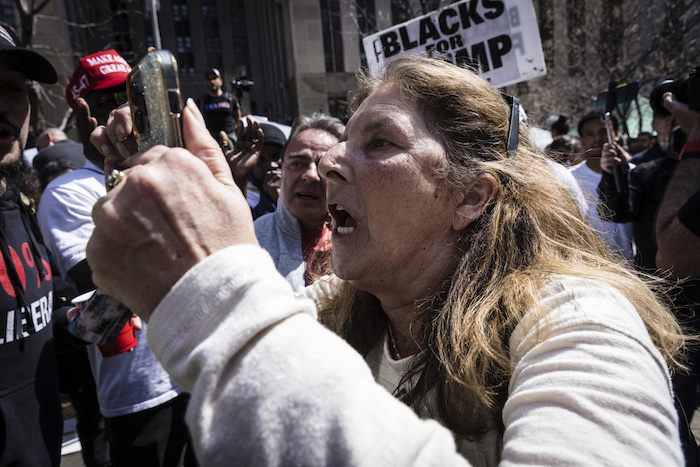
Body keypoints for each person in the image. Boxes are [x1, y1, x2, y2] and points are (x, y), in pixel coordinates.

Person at [89, 56, 686, 465]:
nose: (328, 166)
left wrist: (221, 299)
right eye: (342, 142)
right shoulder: (331, 310)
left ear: (471, 196)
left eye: (380, 142)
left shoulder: (578, 320)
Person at [38, 49, 194, 467]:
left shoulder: (167, 164)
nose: (126, 111)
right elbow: (101, 280)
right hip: (140, 389)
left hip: (196, 371)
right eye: (111, 101)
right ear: (84, 113)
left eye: (133, 96)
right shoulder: (67, 192)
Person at [0, 25, 63, 466]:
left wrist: (75, 325)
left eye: (11, 89)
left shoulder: (19, 201)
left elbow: (28, 329)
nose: (3, 106)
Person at [252, 113, 344, 290]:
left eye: (323, 166)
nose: (310, 175)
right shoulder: (254, 241)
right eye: (297, 164)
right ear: (282, 170)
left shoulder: (361, 243)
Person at [570, 110, 635, 262]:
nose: (597, 139)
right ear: (582, 139)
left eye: (604, 132)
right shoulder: (570, 179)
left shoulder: (637, 174)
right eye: (589, 134)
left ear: (617, 134)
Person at [197, 67, 241, 146]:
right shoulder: (201, 101)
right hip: (210, 138)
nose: (212, 81)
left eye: (214, 78)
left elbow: (238, 118)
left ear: (220, 81)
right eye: (208, 79)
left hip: (230, 136)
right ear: (205, 82)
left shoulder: (230, 99)